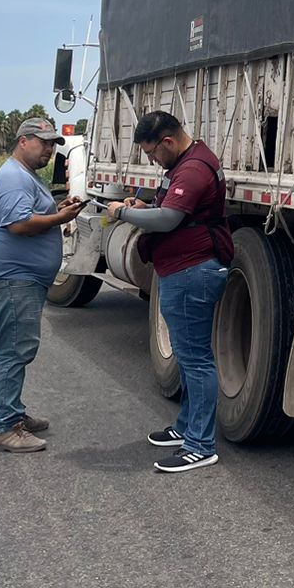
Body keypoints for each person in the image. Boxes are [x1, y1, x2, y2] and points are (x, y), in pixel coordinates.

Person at [105, 110, 232, 474]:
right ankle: (187, 428)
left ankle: (200, 445)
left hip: (193, 272)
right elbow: (170, 210)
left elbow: (169, 219)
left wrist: (123, 214)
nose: (152, 160)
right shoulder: (185, 165)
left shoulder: (192, 169)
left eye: (152, 153)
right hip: (183, 269)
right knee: (189, 356)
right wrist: (143, 207)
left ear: (168, 141)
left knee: (195, 360)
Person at [0, 116, 84, 453]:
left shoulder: (24, 177)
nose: (49, 149)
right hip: (10, 280)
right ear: (23, 141)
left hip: (18, 279)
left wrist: (56, 209)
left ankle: (14, 413)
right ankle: (6, 427)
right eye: (43, 142)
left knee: (16, 348)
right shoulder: (12, 178)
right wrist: (59, 219)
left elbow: (30, 214)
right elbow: (19, 224)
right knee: (13, 350)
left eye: (52, 144)